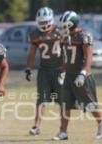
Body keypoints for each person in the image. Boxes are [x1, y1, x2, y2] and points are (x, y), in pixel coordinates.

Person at [53, 11, 102, 140]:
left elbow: (88, 57)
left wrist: (83, 73)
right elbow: (67, 58)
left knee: (90, 104)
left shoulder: (84, 36)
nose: (62, 28)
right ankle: (63, 132)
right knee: (65, 104)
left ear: (71, 25)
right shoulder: (65, 38)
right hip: (69, 76)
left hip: (82, 76)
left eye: (64, 26)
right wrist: (62, 70)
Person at [24, 7, 63, 135]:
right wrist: (28, 68)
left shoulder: (61, 31)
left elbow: (68, 50)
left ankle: (63, 128)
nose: (43, 24)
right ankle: (36, 126)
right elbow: (32, 52)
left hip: (60, 70)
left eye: (45, 21)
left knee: (62, 99)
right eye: (41, 22)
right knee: (42, 99)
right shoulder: (35, 34)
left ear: (51, 20)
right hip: (44, 70)